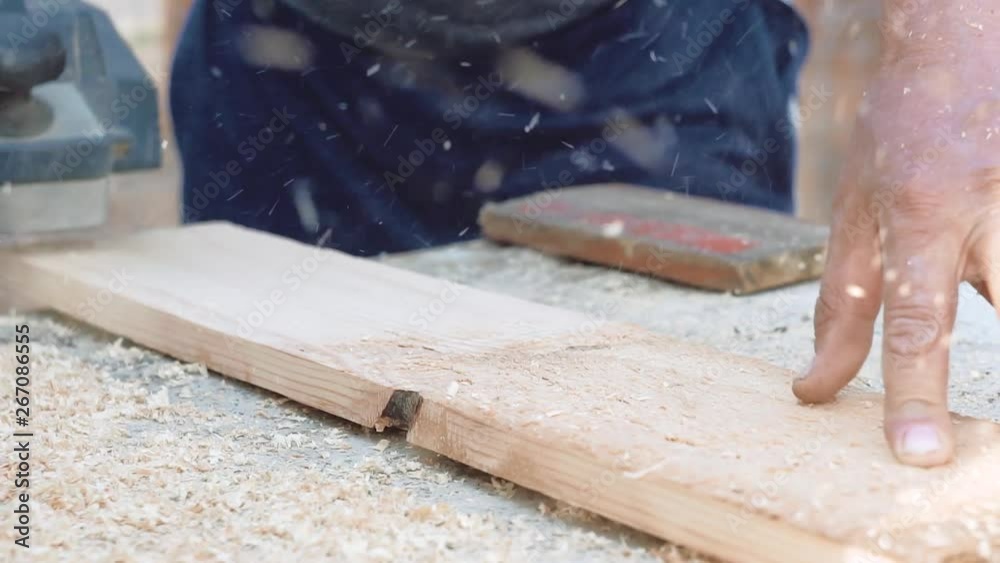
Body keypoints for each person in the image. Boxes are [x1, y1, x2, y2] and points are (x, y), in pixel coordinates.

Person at [171, 0, 999, 468]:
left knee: (700, 453)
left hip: (658, 46)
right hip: (292, 57)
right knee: (270, 437)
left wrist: (950, 42)